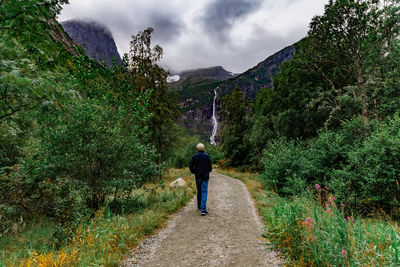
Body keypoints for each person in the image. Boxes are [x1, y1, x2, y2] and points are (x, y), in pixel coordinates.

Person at [189, 143, 212, 216]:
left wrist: (194, 172)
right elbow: (210, 167)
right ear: (203, 148)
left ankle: (199, 206)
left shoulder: (194, 156)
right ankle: (203, 209)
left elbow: (190, 166)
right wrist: (207, 171)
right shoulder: (207, 156)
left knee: (199, 191)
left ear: (197, 149)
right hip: (205, 177)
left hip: (198, 177)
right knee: (204, 191)